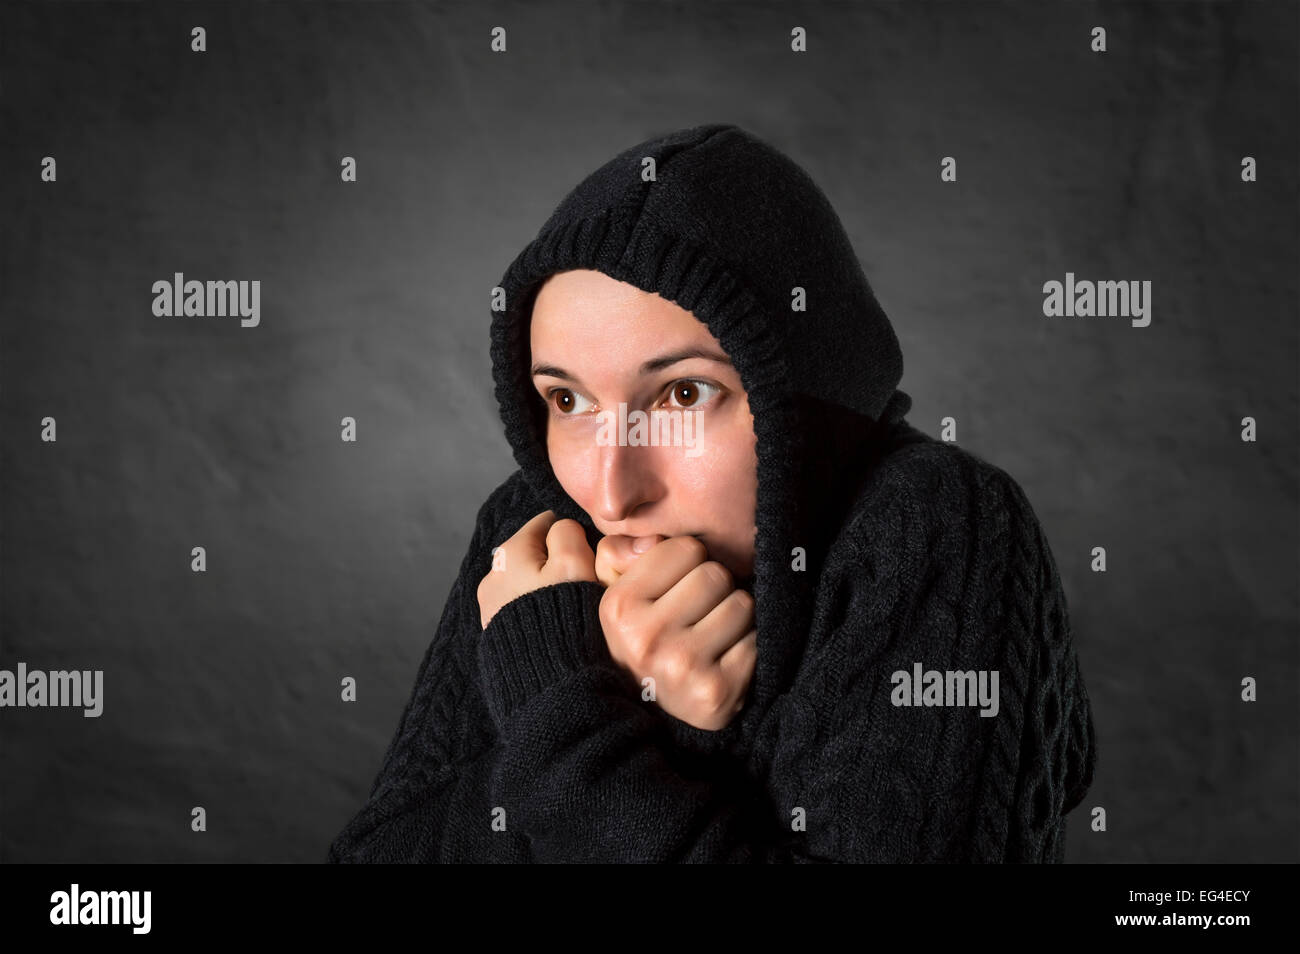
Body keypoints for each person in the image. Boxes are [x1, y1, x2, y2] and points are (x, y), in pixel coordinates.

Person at [326, 123, 1097, 863]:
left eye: (683, 395)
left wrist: (579, 727)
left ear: (806, 399)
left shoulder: (934, 524)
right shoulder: (533, 536)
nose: (608, 491)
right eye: (568, 401)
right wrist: (621, 711)